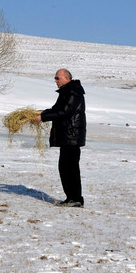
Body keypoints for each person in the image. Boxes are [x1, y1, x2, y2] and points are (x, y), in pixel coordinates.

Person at [34, 69, 86, 208]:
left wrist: (43, 117)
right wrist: (41, 114)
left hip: (72, 136)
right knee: (65, 167)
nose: (55, 81)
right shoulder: (67, 91)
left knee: (70, 168)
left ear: (67, 78)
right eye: (55, 78)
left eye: (57, 78)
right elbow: (56, 109)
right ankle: (71, 198)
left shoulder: (74, 91)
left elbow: (65, 111)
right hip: (67, 136)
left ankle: (75, 199)